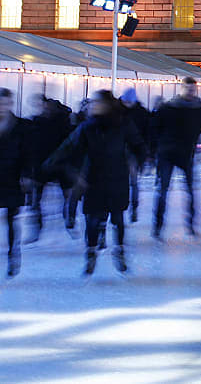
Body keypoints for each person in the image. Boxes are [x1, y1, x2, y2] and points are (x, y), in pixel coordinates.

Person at [45, 90, 146, 276]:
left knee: (117, 219)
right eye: (92, 103)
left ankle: (120, 251)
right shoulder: (87, 127)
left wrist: (138, 161)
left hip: (117, 178)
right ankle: (91, 253)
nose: (92, 106)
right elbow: (68, 147)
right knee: (92, 220)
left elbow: (138, 144)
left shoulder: (123, 124)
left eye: (96, 103)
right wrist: (48, 165)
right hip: (94, 179)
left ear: (107, 105)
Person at [151, 77, 201, 239]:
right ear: (182, 89)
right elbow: (155, 128)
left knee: (190, 191)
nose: (191, 92)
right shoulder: (167, 108)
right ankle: (157, 226)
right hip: (167, 153)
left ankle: (190, 225)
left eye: (193, 89)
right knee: (163, 191)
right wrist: (156, 150)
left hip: (186, 154)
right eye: (188, 89)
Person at [25, 95, 73, 242]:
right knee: (37, 198)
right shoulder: (37, 122)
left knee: (65, 196)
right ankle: (39, 227)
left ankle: (68, 219)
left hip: (58, 164)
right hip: (44, 165)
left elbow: (69, 143)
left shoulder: (61, 122)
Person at [0, 88, 31, 277]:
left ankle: (13, 253)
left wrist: (27, 174)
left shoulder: (21, 126)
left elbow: (28, 153)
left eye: (4, 104)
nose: (2, 108)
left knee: (12, 219)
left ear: (10, 104)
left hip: (13, 178)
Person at [119, 88, 151, 222]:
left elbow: (148, 134)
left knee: (132, 181)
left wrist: (145, 152)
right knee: (125, 181)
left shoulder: (141, 113)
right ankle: (123, 207)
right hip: (119, 150)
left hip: (133, 151)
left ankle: (133, 207)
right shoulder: (117, 111)